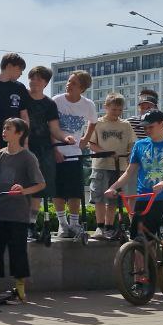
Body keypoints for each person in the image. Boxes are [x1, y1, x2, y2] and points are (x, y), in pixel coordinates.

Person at [105, 109, 163, 305]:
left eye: (151, 126)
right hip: (145, 198)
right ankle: (139, 281)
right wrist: (113, 187)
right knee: (139, 241)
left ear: (162, 125)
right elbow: (129, 172)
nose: (147, 130)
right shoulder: (140, 145)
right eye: (145, 127)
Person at [0, 118, 44, 305]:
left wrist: (23, 190)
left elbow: (40, 184)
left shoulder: (28, 157)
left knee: (18, 252)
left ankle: (20, 290)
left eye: (8, 128)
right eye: (3, 128)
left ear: (19, 133)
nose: (4, 131)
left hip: (18, 214)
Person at [24, 65, 73, 239]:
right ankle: (18, 225)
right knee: (22, 187)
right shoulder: (22, 98)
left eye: (39, 79)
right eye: (32, 78)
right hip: (22, 149)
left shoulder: (49, 104)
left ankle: (31, 225)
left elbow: (55, 129)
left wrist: (65, 138)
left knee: (39, 188)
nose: (34, 81)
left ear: (45, 83)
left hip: (43, 149)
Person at [52, 70, 97, 239]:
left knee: (75, 191)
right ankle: (62, 224)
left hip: (75, 153)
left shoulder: (88, 104)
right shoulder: (56, 101)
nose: (68, 85)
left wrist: (85, 139)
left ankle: (74, 223)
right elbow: (49, 126)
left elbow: (93, 122)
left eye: (74, 83)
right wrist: (54, 150)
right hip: (57, 151)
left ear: (82, 88)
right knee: (58, 191)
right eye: (69, 81)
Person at [84, 93, 134, 240]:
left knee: (113, 199)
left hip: (120, 167)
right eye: (114, 109)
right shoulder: (98, 123)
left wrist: (130, 154)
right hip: (101, 165)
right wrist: (106, 153)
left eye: (120, 110)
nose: (117, 113)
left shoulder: (126, 125)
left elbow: (132, 143)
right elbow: (91, 144)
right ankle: (99, 227)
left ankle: (109, 227)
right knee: (99, 196)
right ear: (106, 107)